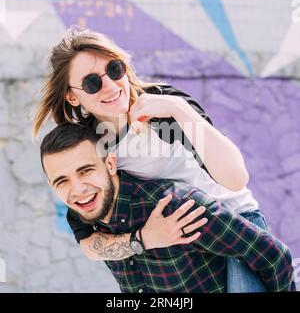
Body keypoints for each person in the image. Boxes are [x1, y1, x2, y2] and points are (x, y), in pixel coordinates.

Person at [33, 27, 267, 291]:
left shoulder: (164, 107)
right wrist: (143, 239)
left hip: (235, 225)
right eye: (92, 83)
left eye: (114, 70)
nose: (110, 86)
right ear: (72, 96)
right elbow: (89, 242)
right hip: (181, 245)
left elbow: (236, 179)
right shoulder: (88, 147)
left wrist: (178, 110)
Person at [40, 123, 295, 293]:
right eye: (62, 181)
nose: (78, 189)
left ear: (110, 164)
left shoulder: (176, 207)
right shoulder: (90, 215)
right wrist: (142, 240)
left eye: (86, 171)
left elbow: (274, 258)